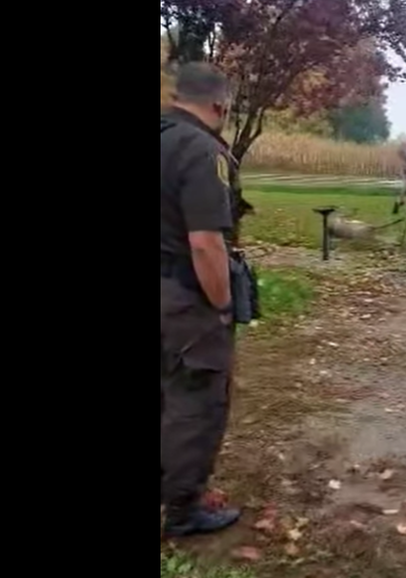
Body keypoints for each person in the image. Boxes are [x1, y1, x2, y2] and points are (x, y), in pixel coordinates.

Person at [160, 62, 242, 537]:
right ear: (219, 105)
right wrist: (222, 303)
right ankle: (183, 510)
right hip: (186, 298)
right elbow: (206, 242)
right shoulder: (201, 149)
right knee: (196, 400)